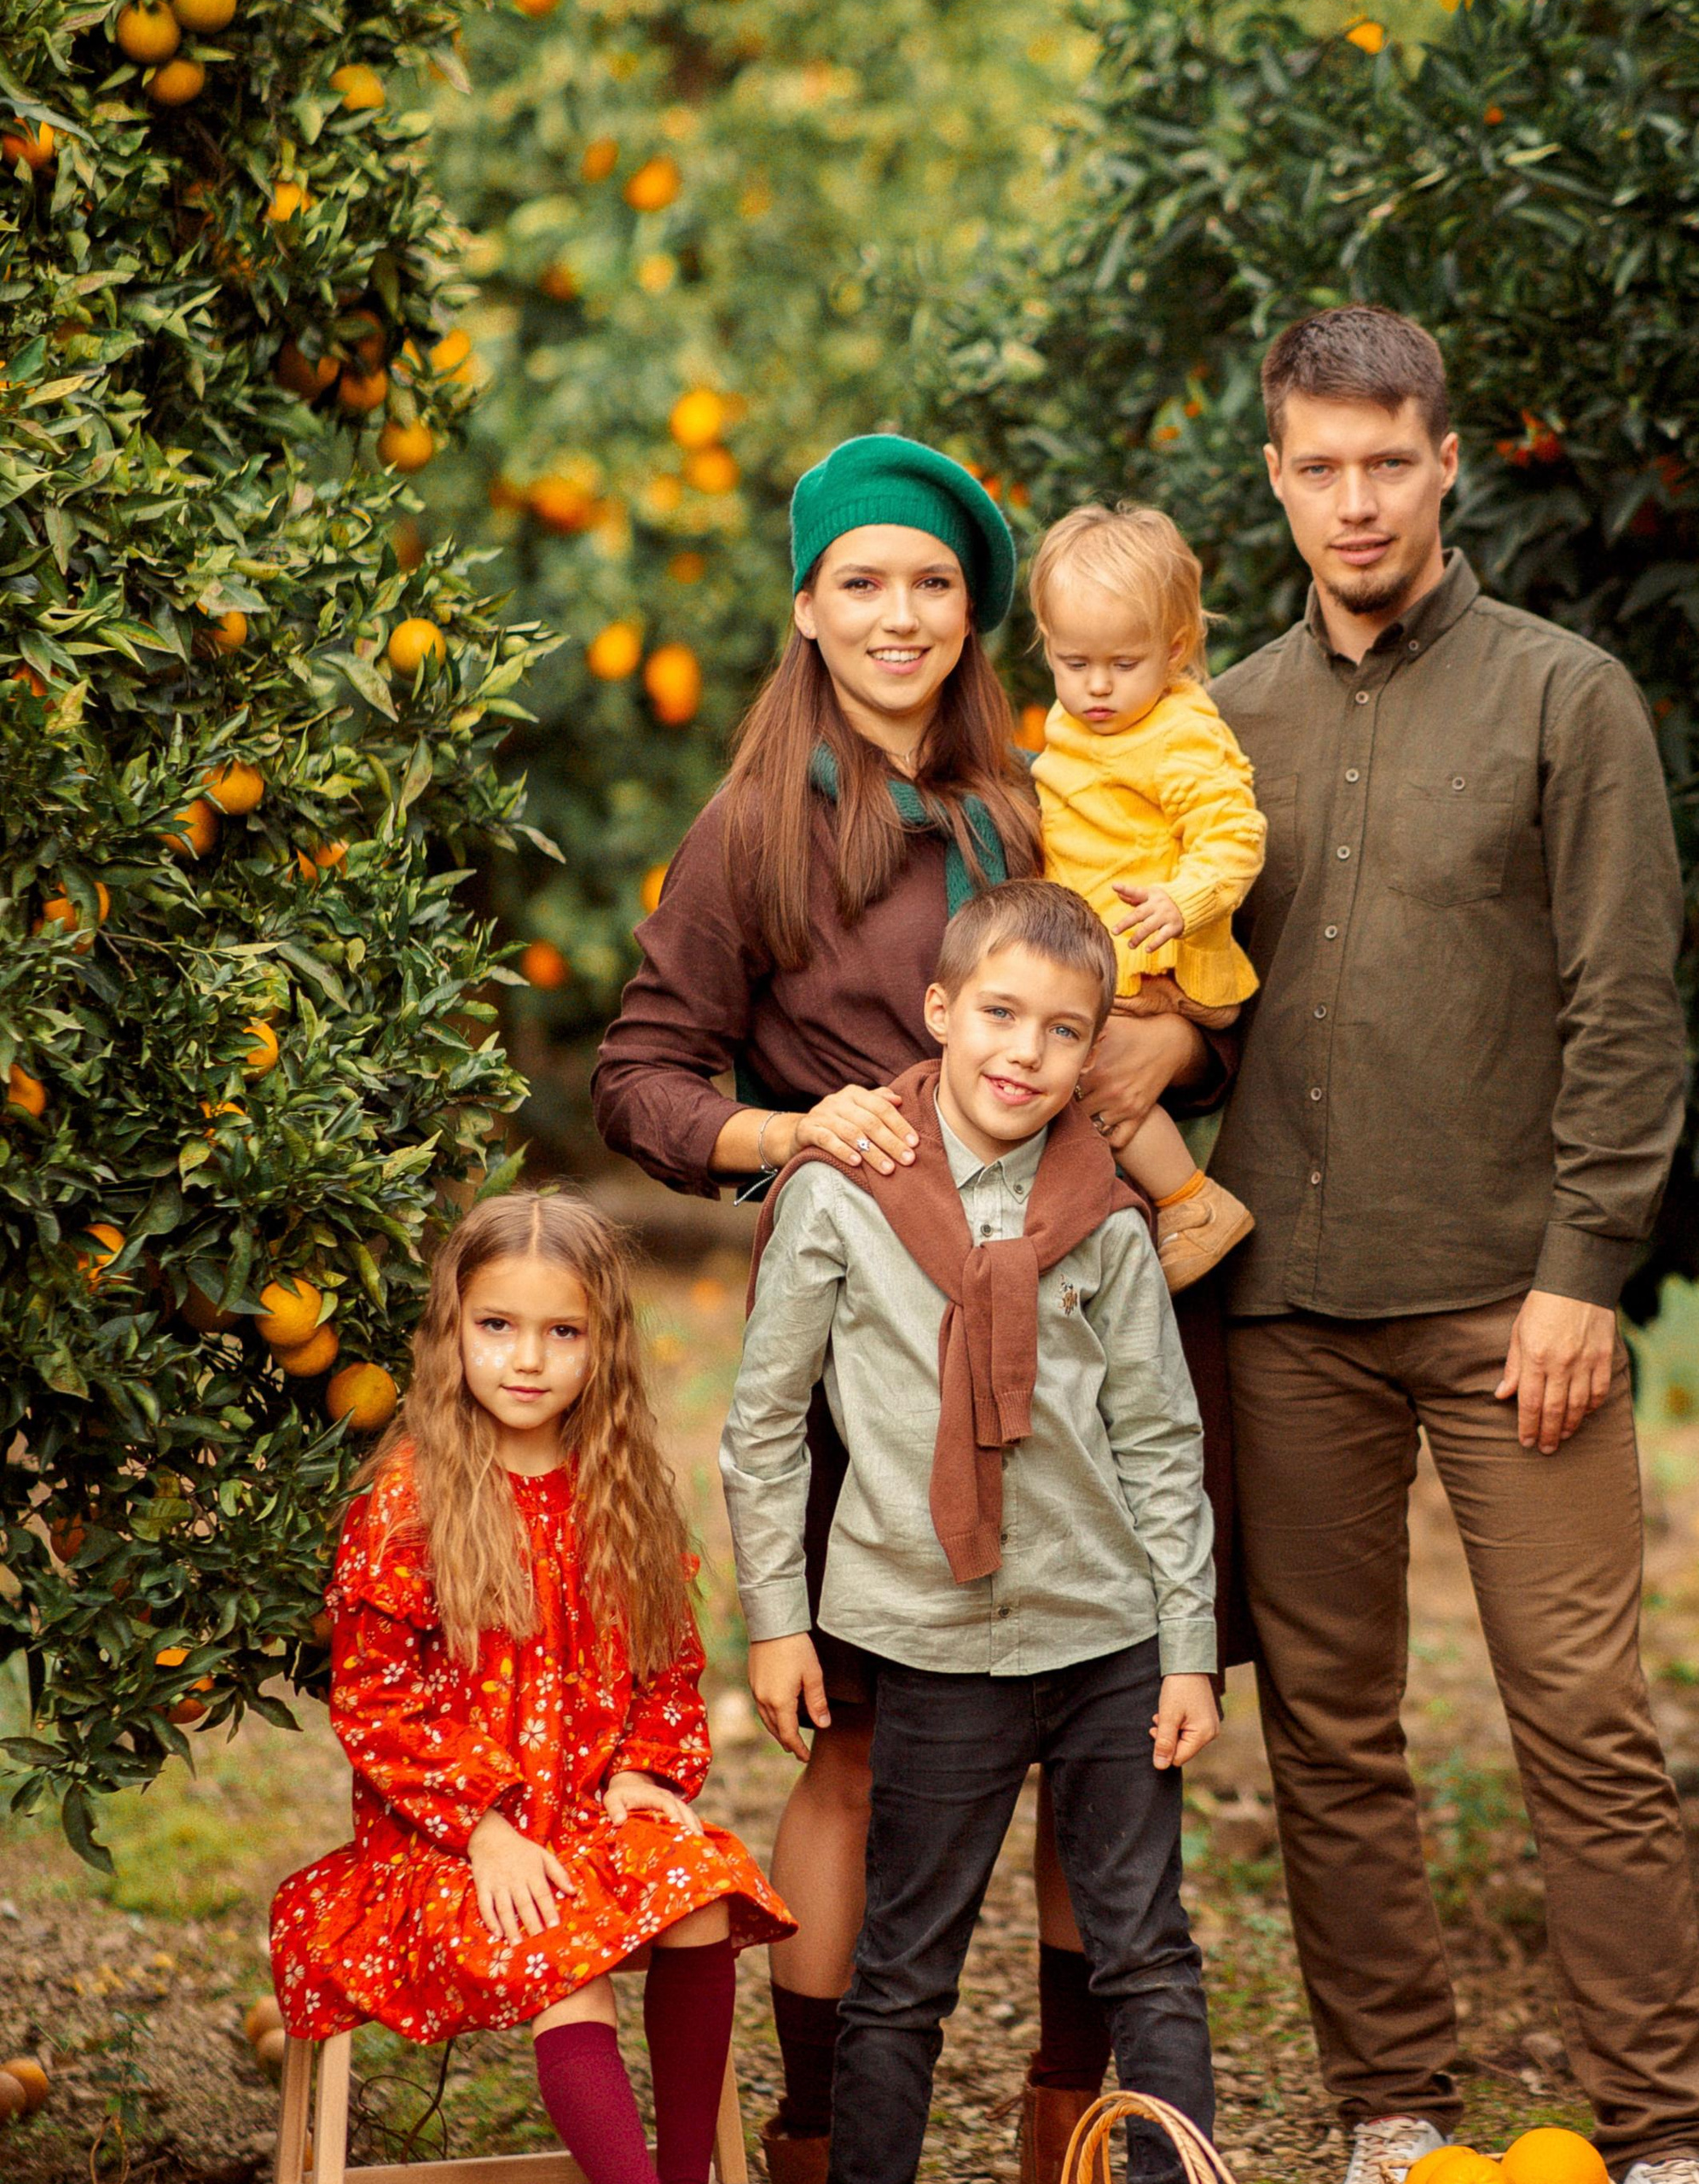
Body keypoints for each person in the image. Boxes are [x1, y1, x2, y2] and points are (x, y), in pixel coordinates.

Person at [590, 434, 1239, 2184]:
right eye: (860, 579)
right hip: (867, 1333)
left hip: (1068, 1305)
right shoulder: (749, 831)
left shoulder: (1039, 795)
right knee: (871, 1747)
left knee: (1085, 1728)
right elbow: (640, 1074)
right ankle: (818, 2130)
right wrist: (784, 1128)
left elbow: (1152, 982)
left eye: (934, 582)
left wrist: (1157, 1047)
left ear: (975, 613)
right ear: (805, 606)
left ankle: (1075, 2121)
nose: (898, 613)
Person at [1208, 305, 1699, 2184]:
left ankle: (1658, 2132)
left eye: (1383, 460)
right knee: (1331, 1734)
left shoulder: (1561, 694)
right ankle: (1389, 2108)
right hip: (1283, 1312)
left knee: (1582, 1715)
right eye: (1315, 466)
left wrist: (1583, 1266)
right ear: (1273, 477)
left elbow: (1625, 1002)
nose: (1352, 500)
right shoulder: (1219, 720)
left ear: (1446, 461)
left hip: (1518, 1309)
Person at [722, 878, 1220, 2184]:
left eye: (1065, 1031)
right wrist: (776, 1623)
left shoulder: (1106, 1215)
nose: (1025, 1052)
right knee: (903, 1972)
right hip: (932, 1638)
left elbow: (1163, 1438)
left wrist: (1188, 1646)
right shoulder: (843, 1191)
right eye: (999, 1013)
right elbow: (764, 1427)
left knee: (1149, 1951)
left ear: (1092, 1051)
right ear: (941, 1011)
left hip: (1105, 1633)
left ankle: (1179, 2173)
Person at [269, 1192, 793, 2184]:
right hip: (446, 1843)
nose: (527, 1358)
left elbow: (666, 1663)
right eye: (497, 1326)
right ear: (452, 1331)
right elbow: (378, 1703)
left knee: (701, 1896)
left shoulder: (620, 1489)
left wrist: (645, 1773)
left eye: (563, 1332)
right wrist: (485, 1825)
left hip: (586, 1812)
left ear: (604, 1344)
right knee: (567, 1960)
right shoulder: (409, 1500)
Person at [1024, 504, 1264, 1289]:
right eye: (1072, 661)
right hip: (1104, 942)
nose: (1096, 687)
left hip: (1156, 949)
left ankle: (1192, 1202)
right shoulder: (1080, 720)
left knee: (1085, 1069)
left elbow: (1235, 834)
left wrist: (1182, 902)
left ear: (1175, 650)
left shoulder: (1180, 733)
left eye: (1122, 664)